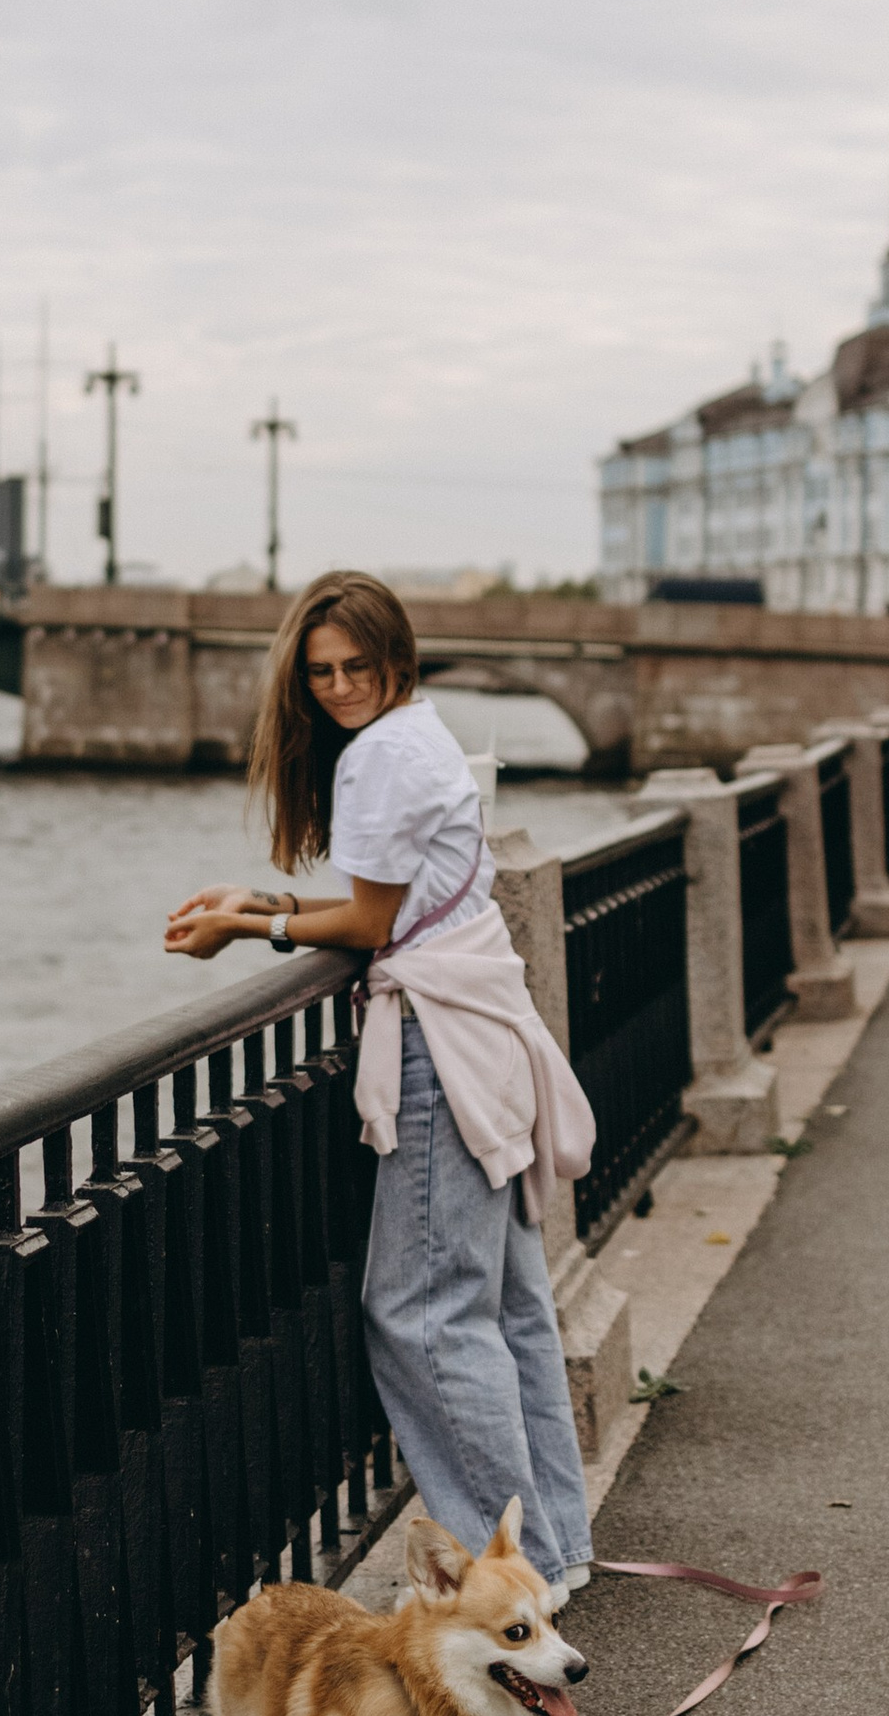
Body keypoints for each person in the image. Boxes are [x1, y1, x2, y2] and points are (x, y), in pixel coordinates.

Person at [162, 569, 597, 1601]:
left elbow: (365, 930)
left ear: (396, 658)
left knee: (421, 1310)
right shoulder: (421, 735)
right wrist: (267, 897)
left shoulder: (376, 759)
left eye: (359, 666)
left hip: (438, 1042)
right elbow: (390, 903)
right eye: (321, 674)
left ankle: (511, 1578)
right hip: (479, 1018)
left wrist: (247, 925)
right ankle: (554, 1550)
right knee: (508, 1304)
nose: (341, 687)